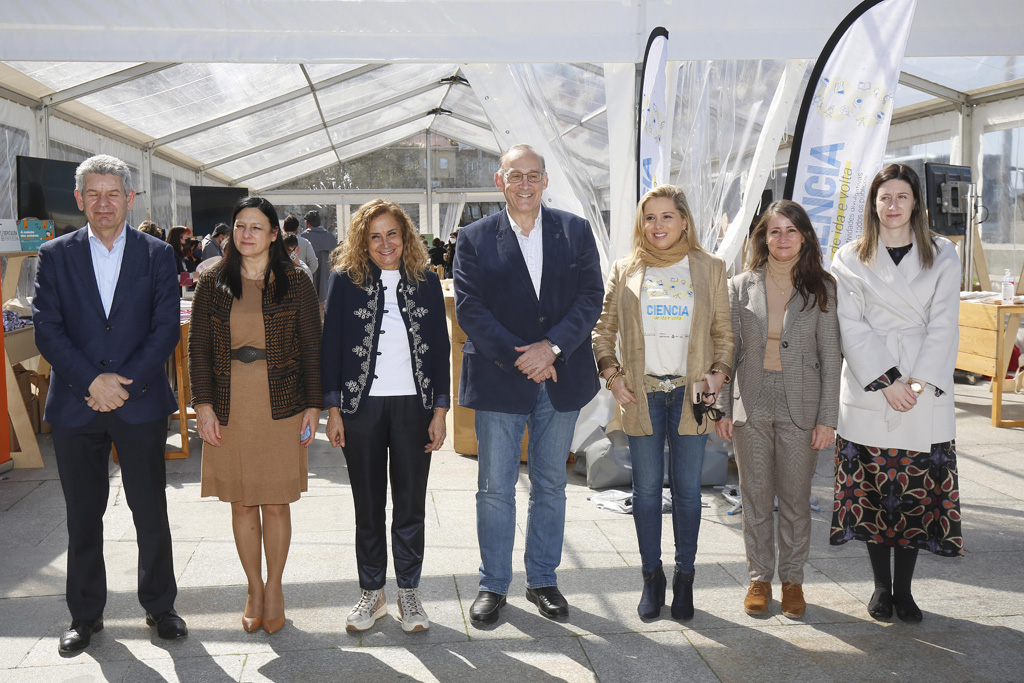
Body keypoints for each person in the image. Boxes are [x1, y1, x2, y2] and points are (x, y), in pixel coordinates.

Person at [32, 154, 187, 654]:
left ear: (129, 199)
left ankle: (160, 606)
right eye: (93, 194)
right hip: (77, 406)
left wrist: (122, 383)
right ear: (79, 200)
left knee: (150, 508)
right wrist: (90, 382)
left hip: (139, 401)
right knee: (82, 513)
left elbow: (165, 328)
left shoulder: (157, 254)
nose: (103, 203)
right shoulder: (54, 255)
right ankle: (85, 616)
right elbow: (48, 330)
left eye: (112, 193)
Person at [454, 144, 603, 624]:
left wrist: (552, 347)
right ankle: (493, 584)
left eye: (533, 176)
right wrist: (525, 357)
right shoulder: (474, 237)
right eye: (514, 176)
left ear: (545, 182)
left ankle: (543, 580)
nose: (524, 184)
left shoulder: (575, 231)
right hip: (502, 379)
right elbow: (471, 308)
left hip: (560, 377)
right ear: (500, 182)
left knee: (550, 485)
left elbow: (591, 296)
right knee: (495, 488)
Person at [829, 163, 963, 623]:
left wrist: (918, 383)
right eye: (884, 197)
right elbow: (850, 323)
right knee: (871, 494)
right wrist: (888, 382)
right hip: (872, 388)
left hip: (923, 390)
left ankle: (904, 591)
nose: (892, 205)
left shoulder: (944, 253)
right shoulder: (849, 256)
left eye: (901, 197)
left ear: (915, 204)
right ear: (872, 203)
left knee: (914, 494)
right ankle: (879, 589)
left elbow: (946, 322)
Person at [592, 184, 733, 621]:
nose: (658, 225)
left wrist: (718, 375)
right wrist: (613, 378)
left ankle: (685, 579)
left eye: (667, 216)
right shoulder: (625, 268)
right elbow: (602, 332)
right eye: (649, 217)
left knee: (690, 492)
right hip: (642, 394)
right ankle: (651, 578)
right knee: (647, 491)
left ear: (684, 220)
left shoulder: (710, 267)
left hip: (693, 394)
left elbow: (724, 334)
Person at [189, 196, 322, 635]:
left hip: (281, 402)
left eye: (256, 226)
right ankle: (253, 588)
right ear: (232, 231)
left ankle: (276, 587)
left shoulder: (296, 282)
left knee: (276, 501)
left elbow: (311, 347)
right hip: (229, 404)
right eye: (240, 225)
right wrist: (202, 405)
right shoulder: (212, 282)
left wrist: (313, 404)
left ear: (272, 234)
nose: (247, 234)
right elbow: (199, 350)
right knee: (243, 502)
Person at [321, 199, 450, 633]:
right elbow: (331, 347)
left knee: (411, 504)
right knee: (368, 505)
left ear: (406, 236)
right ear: (362, 240)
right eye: (374, 235)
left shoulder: (426, 282)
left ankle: (409, 593)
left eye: (392, 233)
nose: (384, 243)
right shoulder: (344, 281)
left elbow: (441, 350)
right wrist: (333, 408)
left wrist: (441, 410)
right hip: (362, 408)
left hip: (415, 407)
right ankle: (372, 593)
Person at [715, 199, 841, 619]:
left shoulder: (823, 287)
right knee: (755, 496)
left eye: (791, 230)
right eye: (774, 231)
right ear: (763, 238)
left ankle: (792, 580)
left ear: (804, 236)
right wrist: (720, 407)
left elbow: (831, 356)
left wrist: (827, 419)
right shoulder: (739, 286)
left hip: (801, 404)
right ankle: (758, 578)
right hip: (750, 402)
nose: (782, 238)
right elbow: (726, 351)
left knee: (794, 498)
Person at [302, 209, 337, 300]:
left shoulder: (304, 237)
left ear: (307, 223)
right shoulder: (329, 236)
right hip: (326, 280)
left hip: (309, 279)